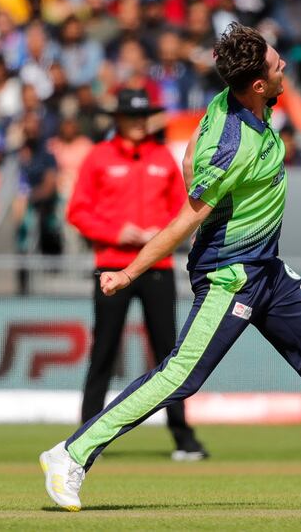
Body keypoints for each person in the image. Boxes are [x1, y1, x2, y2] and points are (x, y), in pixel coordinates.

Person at [40, 24, 301, 512]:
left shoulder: (240, 102)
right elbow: (184, 220)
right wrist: (129, 272)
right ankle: (70, 454)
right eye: (278, 67)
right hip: (229, 274)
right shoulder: (234, 143)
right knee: (179, 377)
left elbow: (192, 154)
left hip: (267, 271)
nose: (284, 70)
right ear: (258, 85)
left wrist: (195, 165)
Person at [65, 87, 208, 464]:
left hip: (156, 267)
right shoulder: (99, 157)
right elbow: (78, 212)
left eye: (144, 116)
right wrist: (117, 232)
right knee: (103, 353)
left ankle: (183, 437)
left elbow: (183, 210)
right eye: (132, 116)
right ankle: (85, 437)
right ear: (118, 119)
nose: (139, 122)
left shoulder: (163, 157)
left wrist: (157, 236)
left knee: (170, 355)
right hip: (112, 265)